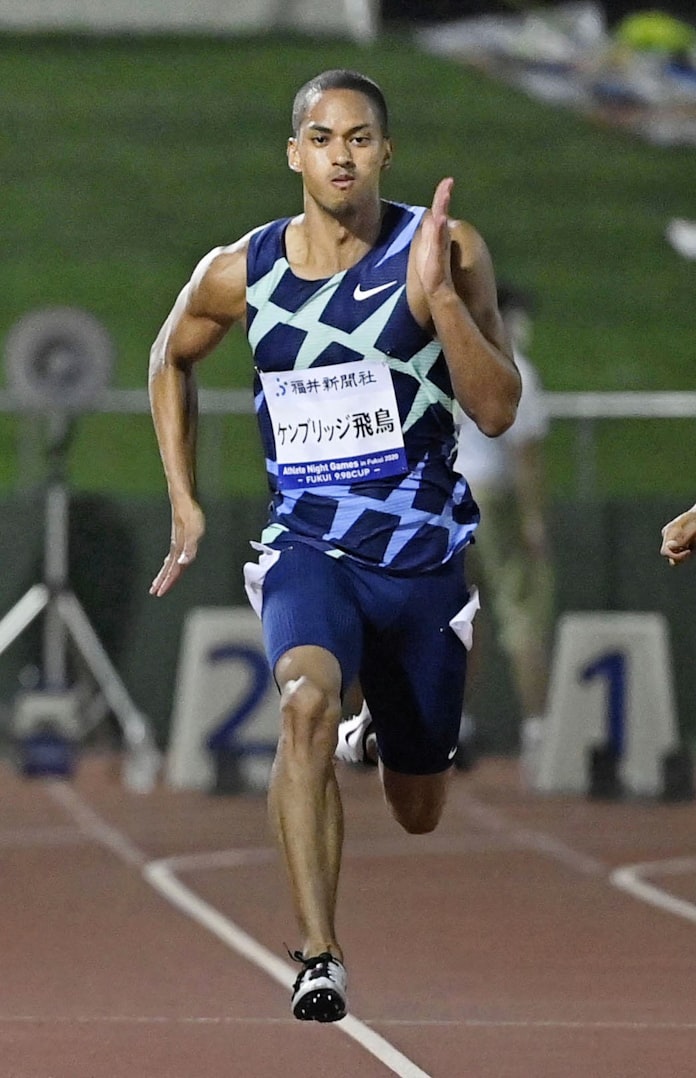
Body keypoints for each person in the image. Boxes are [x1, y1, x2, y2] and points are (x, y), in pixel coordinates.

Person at [148, 68, 520, 1023]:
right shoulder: (243, 269)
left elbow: (497, 409)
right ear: (294, 153)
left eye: (359, 138)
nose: (341, 155)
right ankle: (319, 953)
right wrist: (184, 499)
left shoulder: (447, 248)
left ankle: (382, 729)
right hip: (309, 546)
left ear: (385, 152)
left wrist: (436, 299)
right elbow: (169, 356)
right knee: (303, 704)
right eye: (322, 138)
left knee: (419, 807)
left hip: (423, 559)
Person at [452, 284, 554, 779]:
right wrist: (534, 520)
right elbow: (525, 456)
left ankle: (455, 723)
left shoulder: (450, 360)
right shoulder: (518, 373)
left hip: (446, 497)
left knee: (457, 617)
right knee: (521, 613)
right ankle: (538, 730)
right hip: (493, 496)